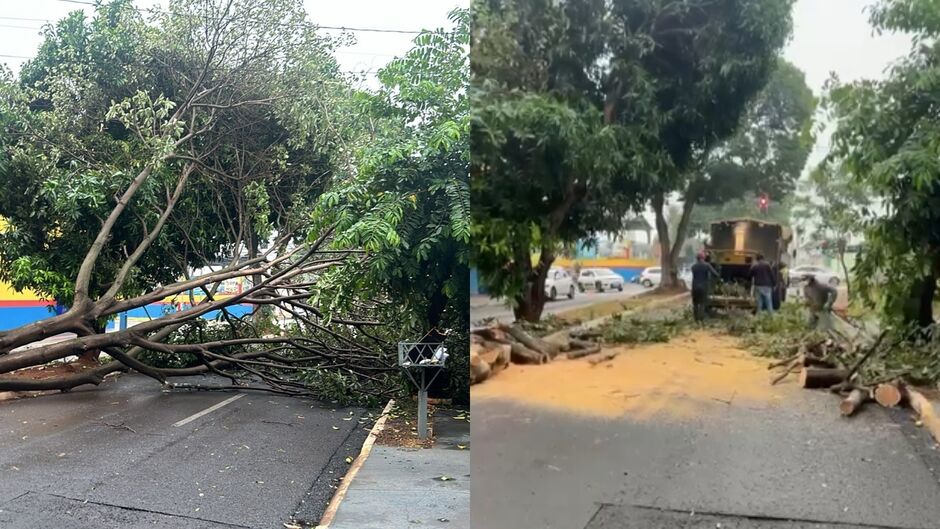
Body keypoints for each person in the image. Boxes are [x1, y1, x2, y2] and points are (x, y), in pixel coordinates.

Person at [690, 251, 720, 322]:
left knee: (695, 303)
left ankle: (696, 319)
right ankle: (701, 319)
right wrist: (718, 269)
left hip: (695, 287)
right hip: (703, 287)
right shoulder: (707, 265)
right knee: (702, 303)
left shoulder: (693, 266)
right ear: (704, 258)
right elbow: (715, 274)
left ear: (697, 258)